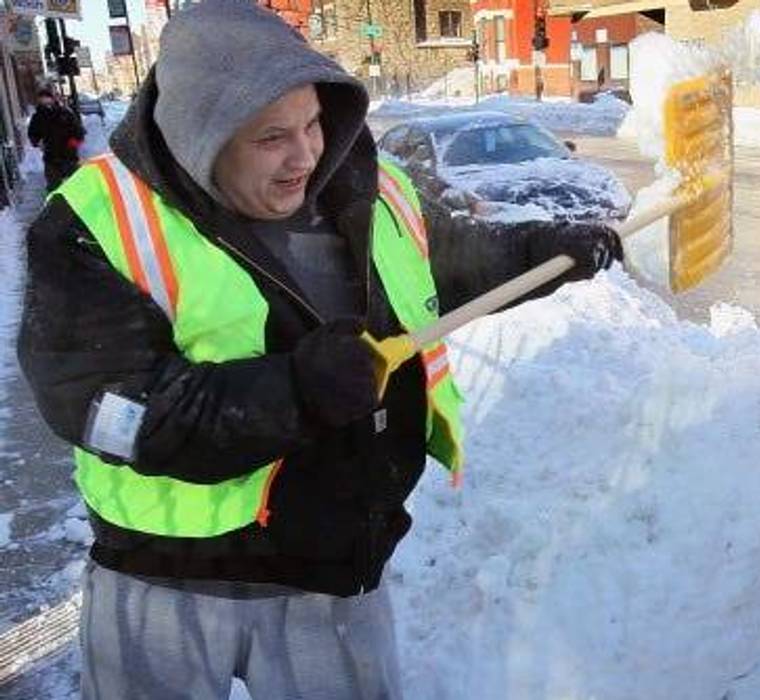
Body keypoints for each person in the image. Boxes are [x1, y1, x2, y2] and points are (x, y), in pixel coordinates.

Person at [17, 2, 622, 698]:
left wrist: (540, 251)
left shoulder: (367, 185)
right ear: (200, 138)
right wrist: (295, 392)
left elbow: (449, 260)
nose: (305, 154)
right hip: (166, 586)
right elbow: (108, 409)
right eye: (272, 137)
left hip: (334, 570)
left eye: (312, 123)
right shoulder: (95, 224)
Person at [27, 85, 86, 190]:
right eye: (42, 99)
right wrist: (37, 142)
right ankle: (57, 205)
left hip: (69, 157)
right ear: (39, 100)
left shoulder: (65, 113)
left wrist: (74, 143)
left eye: (47, 97)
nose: (45, 101)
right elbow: (32, 134)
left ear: (52, 98)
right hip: (51, 158)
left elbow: (79, 131)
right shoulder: (37, 117)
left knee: (77, 186)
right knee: (54, 188)